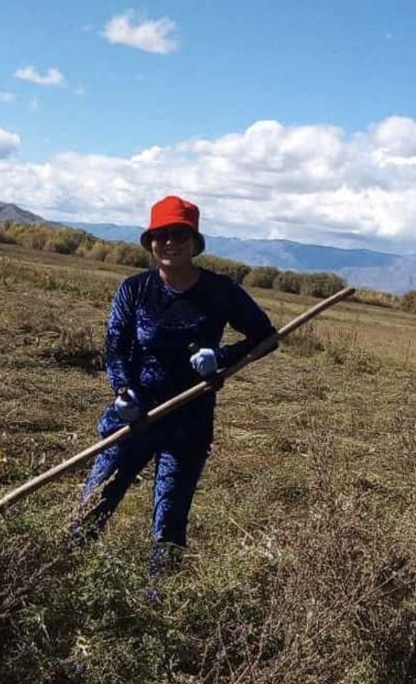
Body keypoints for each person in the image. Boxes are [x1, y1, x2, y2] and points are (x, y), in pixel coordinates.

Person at [69, 195, 277, 581]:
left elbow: (266, 337)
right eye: (161, 234)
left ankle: (157, 600)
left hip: (189, 421)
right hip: (133, 418)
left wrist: (223, 357)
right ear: (150, 241)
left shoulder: (220, 291)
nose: (170, 242)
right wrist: (122, 391)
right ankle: (58, 579)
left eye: (179, 234)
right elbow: (115, 347)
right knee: (95, 503)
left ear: (195, 242)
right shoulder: (135, 290)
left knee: (169, 521)